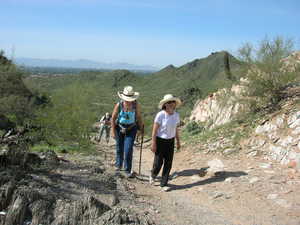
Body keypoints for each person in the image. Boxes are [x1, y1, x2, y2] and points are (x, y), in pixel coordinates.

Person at [150, 94, 181, 191]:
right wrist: (153, 143)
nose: (172, 104)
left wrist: (178, 141)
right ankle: (153, 174)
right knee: (158, 162)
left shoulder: (176, 115)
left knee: (168, 163)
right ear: (165, 104)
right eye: (169, 102)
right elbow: (154, 130)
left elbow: (176, 129)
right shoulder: (160, 115)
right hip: (160, 140)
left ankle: (163, 183)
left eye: (173, 102)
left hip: (170, 141)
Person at [111, 86, 143, 178]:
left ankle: (127, 169)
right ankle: (118, 165)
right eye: (127, 99)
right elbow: (113, 118)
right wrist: (113, 131)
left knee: (128, 149)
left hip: (131, 128)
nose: (128, 101)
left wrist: (140, 128)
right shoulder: (119, 105)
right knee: (119, 147)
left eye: (130, 99)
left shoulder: (136, 105)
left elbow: (139, 117)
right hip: (119, 127)